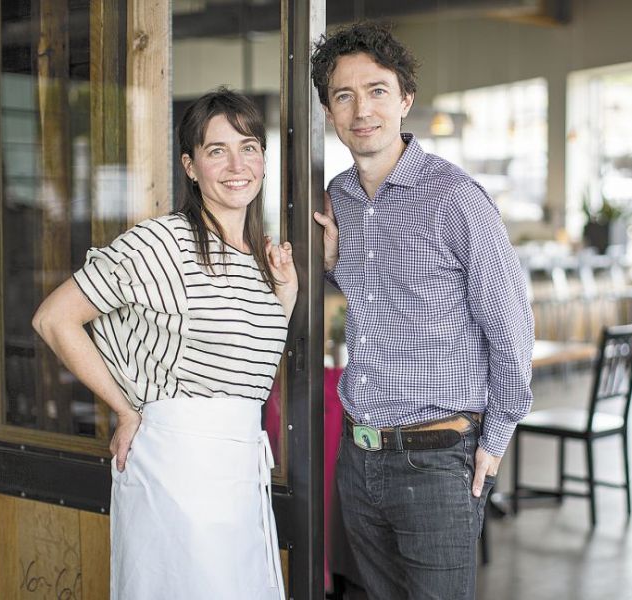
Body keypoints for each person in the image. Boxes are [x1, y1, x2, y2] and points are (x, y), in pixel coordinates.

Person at [32, 87, 296, 600]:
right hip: (176, 466)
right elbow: (53, 319)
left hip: (241, 470)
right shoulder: (162, 243)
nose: (236, 163)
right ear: (191, 166)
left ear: (263, 158)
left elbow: (251, 363)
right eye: (216, 150)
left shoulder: (262, 258)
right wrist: (125, 410)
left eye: (249, 146)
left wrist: (284, 292)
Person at [311, 22, 534, 600]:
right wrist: (334, 263)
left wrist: (497, 434)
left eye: (377, 90)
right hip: (359, 461)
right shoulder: (337, 197)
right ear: (330, 113)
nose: (362, 109)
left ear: (405, 99)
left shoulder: (455, 196)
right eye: (344, 95)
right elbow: (376, 293)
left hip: (439, 461)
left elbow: (509, 321)